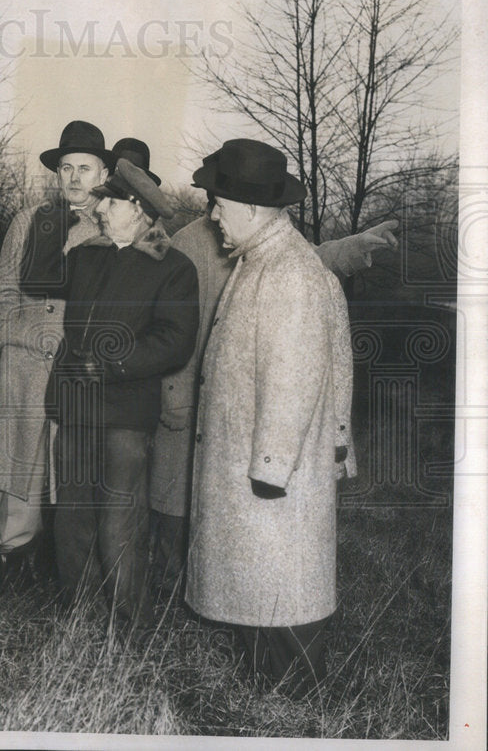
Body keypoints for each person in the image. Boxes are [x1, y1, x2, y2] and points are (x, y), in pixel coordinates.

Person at [148, 145, 398, 596]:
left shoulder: (264, 243)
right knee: (173, 503)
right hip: (186, 392)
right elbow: (163, 323)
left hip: (237, 403)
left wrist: (355, 248)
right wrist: (173, 392)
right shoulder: (188, 242)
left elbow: (305, 265)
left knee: (229, 522)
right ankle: (172, 603)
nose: (216, 211)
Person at [184, 138, 355, 698]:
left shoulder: (288, 274)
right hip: (259, 468)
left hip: (273, 478)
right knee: (265, 591)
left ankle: (293, 711)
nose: (213, 215)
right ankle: (269, 696)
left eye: (219, 204)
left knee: (283, 591)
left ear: (253, 208)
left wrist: (271, 468)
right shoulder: (264, 259)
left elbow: (294, 377)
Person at [20, 158, 199, 623]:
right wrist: (51, 218)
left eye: (110, 202)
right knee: (72, 521)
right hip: (77, 409)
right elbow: (35, 281)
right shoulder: (86, 255)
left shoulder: (174, 268)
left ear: (138, 209)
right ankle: (79, 618)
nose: (100, 210)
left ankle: (129, 628)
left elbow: (175, 341)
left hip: (124, 416)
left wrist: (115, 362)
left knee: (120, 526)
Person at [0, 120, 114, 587]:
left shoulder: (113, 226)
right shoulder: (30, 221)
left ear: (103, 173)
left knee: (71, 469)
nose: (74, 177)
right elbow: (2, 294)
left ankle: (67, 570)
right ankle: (13, 559)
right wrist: (8, 343)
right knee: (19, 470)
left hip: (79, 369)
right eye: (66, 167)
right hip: (24, 367)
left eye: (84, 169)